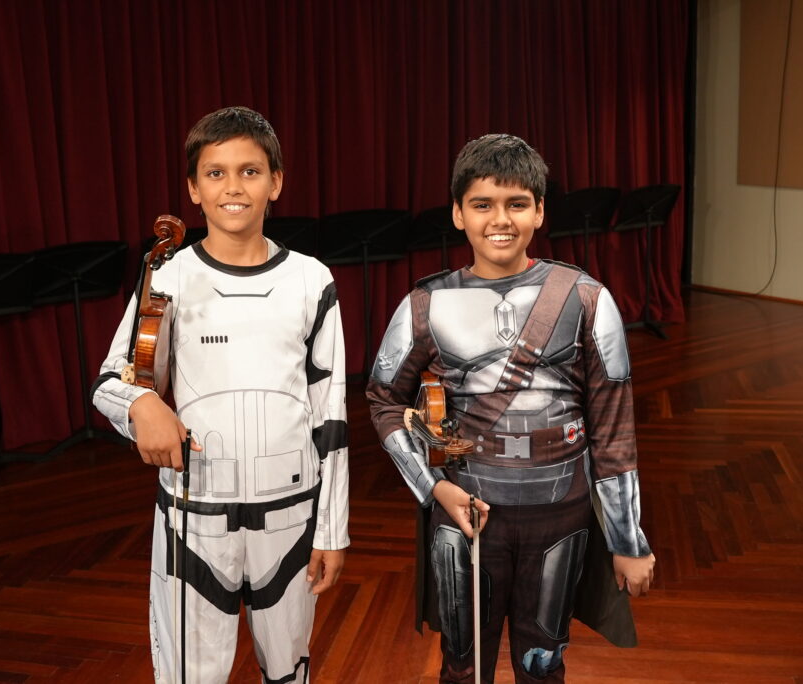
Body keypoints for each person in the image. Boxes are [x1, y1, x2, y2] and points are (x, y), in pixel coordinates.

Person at [366, 133, 655, 684]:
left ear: (540, 210)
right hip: (465, 513)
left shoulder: (588, 298)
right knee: (462, 668)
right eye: (483, 204)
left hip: (560, 512)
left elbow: (614, 429)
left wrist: (628, 541)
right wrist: (434, 489)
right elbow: (383, 399)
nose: (500, 219)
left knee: (542, 666)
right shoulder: (425, 304)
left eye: (517, 203)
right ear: (457, 213)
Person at [93, 106, 349, 684]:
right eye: (215, 173)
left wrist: (333, 530)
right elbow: (111, 380)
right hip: (194, 514)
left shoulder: (312, 280)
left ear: (276, 183)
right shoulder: (167, 277)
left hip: (292, 513)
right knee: (189, 675)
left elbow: (331, 417)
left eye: (250, 171)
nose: (233, 187)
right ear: (193, 188)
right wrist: (141, 405)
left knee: (289, 671)